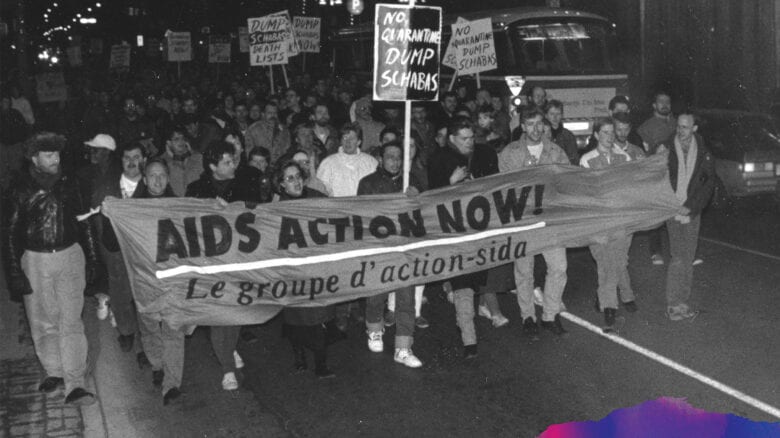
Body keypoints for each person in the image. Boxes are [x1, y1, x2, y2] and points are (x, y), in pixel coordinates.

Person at [4, 132, 100, 405]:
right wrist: (14, 272)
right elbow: (9, 233)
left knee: (71, 320)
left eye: (57, 154)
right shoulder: (19, 188)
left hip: (70, 255)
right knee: (42, 321)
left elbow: (84, 221)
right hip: (35, 260)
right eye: (49, 155)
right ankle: (54, 371)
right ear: (34, 158)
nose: (55, 159)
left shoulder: (70, 183)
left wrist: (93, 258)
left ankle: (75, 383)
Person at [428, 117, 502, 359]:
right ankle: (469, 339)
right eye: (464, 139)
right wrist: (451, 182)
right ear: (451, 138)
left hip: (478, 229)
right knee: (463, 285)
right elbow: (430, 199)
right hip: (454, 232)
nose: (469, 142)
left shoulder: (483, 154)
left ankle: (466, 322)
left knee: (474, 281)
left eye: (471, 138)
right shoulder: (439, 159)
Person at [498, 109, 570, 339]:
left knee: (558, 267)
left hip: (549, 219)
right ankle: (527, 316)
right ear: (522, 127)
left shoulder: (555, 151)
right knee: (524, 271)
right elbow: (503, 186)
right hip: (523, 220)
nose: (536, 129)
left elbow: (566, 181)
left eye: (539, 124)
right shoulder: (510, 153)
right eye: (530, 124)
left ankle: (550, 315)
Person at [357, 141, 424, 368]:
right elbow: (361, 217)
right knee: (376, 295)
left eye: (399, 157)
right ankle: (374, 330)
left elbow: (425, 215)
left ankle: (403, 348)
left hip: (404, 249)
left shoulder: (412, 182)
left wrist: (416, 199)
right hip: (379, 249)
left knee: (406, 299)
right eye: (390, 157)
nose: (395, 162)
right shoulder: (368, 183)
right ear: (380, 159)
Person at [185, 140, 246, 390]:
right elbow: (187, 222)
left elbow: (257, 213)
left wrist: (232, 210)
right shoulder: (196, 189)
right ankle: (227, 368)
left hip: (238, 258)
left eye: (233, 161)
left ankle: (229, 348)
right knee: (219, 312)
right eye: (227, 162)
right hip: (210, 260)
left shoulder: (243, 185)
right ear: (213, 166)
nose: (233, 166)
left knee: (236, 309)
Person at [274, 160, 338, 378]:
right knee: (296, 318)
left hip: (317, 268)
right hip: (292, 271)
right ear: (281, 184)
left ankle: (321, 364)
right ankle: (299, 355)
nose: (296, 182)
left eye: (298, 176)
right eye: (290, 178)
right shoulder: (276, 208)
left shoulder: (317, 198)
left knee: (319, 316)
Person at [133, 158, 185, 405]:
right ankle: (157, 364)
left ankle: (172, 382)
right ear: (144, 180)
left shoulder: (179, 206)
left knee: (174, 329)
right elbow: (113, 242)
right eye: (152, 175)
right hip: (145, 277)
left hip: (173, 278)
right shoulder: (132, 209)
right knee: (150, 325)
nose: (157, 180)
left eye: (162, 175)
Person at [579, 118, 636, 331]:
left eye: (612, 132)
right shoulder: (587, 160)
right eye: (604, 132)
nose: (610, 136)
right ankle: (611, 305)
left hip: (621, 220)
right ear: (596, 135)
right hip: (599, 222)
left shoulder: (624, 157)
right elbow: (586, 192)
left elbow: (630, 186)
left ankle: (616, 295)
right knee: (606, 262)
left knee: (618, 260)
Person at [658, 112, 716, 321]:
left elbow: (708, 185)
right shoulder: (666, 148)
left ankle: (683, 300)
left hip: (692, 211)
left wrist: (690, 206)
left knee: (688, 257)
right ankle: (673, 303)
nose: (680, 131)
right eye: (678, 126)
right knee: (678, 257)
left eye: (685, 127)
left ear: (694, 128)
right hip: (673, 210)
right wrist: (674, 204)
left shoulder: (704, 152)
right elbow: (657, 178)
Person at [92, 142, 147, 357]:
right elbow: (95, 222)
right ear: (120, 161)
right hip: (115, 250)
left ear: (144, 160)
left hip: (144, 252)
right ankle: (126, 331)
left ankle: (147, 343)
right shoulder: (106, 188)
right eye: (127, 157)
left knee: (144, 295)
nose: (132, 162)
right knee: (120, 293)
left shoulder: (152, 185)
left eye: (136, 157)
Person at [638, 91, 677, 266]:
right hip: (656, 175)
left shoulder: (677, 123)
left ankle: (680, 252)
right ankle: (656, 251)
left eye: (667, 101)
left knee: (676, 214)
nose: (665, 104)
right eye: (661, 101)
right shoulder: (645, 127)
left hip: (675, 175)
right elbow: (643, 153)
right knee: (656, 215)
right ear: (654, 105)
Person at [160, 125, 203, 197]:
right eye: (176, 139)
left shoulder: (196, 157)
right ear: (168, 143)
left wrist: (191, 154)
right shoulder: (162, 161)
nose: (181, 141)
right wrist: (176, 158)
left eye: (183, 138)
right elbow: (179, 189)